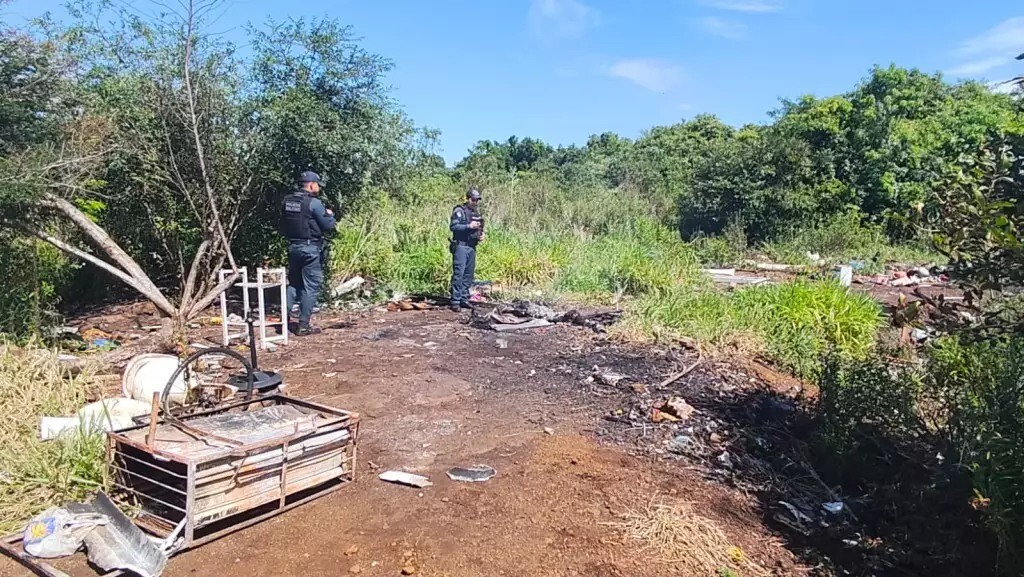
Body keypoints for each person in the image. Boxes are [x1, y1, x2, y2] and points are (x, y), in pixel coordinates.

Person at [280, 171, 336, 335]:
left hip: (293, 247)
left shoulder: (287, 201)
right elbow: (328, 225)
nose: (318, 187)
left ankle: (283, 320)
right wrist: (331, 215)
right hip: (310, 249)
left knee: (294, 284)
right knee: (310, 286)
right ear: (311, 185)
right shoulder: (314, 203)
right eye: (317, 184)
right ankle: (304, 325)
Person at [449, 188, 484, 312]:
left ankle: (464, 298)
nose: (475, 202)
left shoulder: (475, 213)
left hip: (472, 247)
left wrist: (481, 235)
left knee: (468, 274)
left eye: (477, 200)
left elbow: (480, 228)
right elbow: (453, 226)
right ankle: (455, 301)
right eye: (473, 200)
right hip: (461, 246)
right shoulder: (459, 211)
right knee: (459, 273)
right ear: (468, 198)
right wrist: (468, 226)